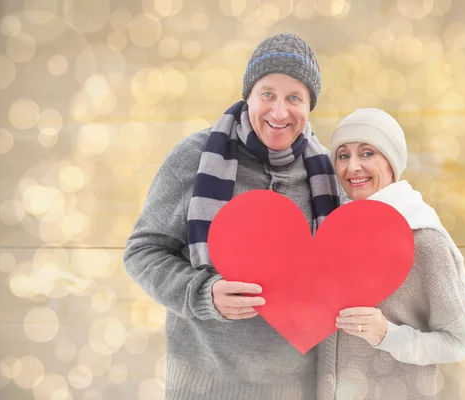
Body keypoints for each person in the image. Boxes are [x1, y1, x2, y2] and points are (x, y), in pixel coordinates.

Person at [124, 33, 344, 400]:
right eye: (267, 94)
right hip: (205, 383)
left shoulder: (326, 173)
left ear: (310, 106)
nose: (279, 112)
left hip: (298, 386)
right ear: (249, 95)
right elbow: (142, 252)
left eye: (294, 98)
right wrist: (204, 294)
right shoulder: (193, 158)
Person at [316, 108, 465, 400]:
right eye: (343, 155)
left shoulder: (423, 238)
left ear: (391, 161)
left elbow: (461, 342)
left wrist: (387, 334)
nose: (353, 167)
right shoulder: (332, 232)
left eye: (367, 153)